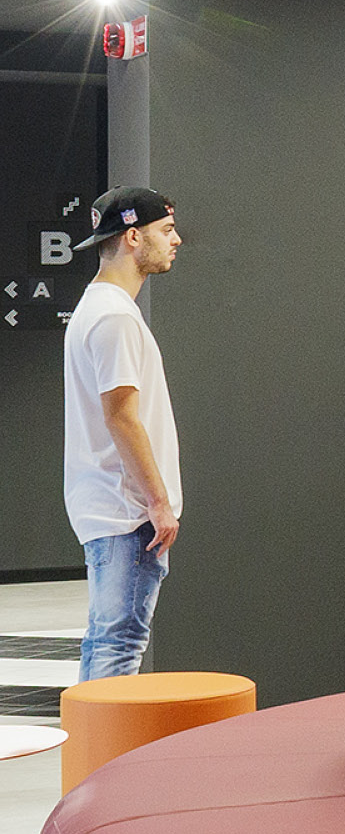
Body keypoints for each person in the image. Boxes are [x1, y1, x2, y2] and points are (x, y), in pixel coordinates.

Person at [62, 186, 184, 681]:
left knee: (107, 641)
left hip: (112, 508)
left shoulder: (98, 308)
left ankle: (91, 735)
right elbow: (121, 417)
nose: (176, 240)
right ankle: (102, 739)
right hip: (127, 512)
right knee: (119, 646)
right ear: (133, 237)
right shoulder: (113, 316)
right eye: (166, 230)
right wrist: (158, 503)